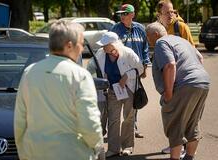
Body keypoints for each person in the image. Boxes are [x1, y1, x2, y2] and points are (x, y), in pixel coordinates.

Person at [14, 20, 104, 160]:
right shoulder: (80, 76)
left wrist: (23, 152)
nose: (82, 49)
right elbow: (89, 123)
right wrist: (97, 147)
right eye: (80, 44)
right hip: (72, 153)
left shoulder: (29, 72)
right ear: (69, 45)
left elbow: (20, 120)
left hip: (34, 153)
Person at [146, 21, 210, 160]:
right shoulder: (180, 40)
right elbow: (199, 57)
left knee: (175, 123)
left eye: (148, 36)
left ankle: (174, 158)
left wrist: (169, 93)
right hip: (202, 81)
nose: (147, 40)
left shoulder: (161, 43)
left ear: (155, 34)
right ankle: (189, 157)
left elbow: (170, 65)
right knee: (193, 122)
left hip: (184, 85)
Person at [156, 0, 203, 154]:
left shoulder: (180, 26)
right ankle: (177, 145)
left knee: (182, 114)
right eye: (167, 12)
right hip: (172, 76)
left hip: (183, 77)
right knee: (174, 113)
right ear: (159, 15)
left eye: (172, 12)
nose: (171, 15)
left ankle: (182, 148)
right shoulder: (161, 29)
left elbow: (194, 52)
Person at [87, 31, 143, 157]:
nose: (103, 47)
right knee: (113, 119)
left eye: (105, 45)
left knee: (128, 117)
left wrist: (127, 76)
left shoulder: (128, 53)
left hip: (128, 89)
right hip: (112, 90)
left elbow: (140, 68)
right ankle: (113, 149)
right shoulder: (101, 54)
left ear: (113, 44)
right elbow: (92, 67)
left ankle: (128, 146)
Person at [111, 3, 150, 138]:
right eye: (121, 14)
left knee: (135, 99)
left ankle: (133, 126)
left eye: (125, 14)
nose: (122, 16)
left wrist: (145, 66)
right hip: (119, 71)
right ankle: (116, 129)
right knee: (119, 100)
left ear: (132, 15)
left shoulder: (140, 28)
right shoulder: (115, 29)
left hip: (135, 70)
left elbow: (145, 48)